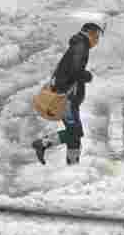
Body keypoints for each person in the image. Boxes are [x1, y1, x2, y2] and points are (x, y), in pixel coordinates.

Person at [32, 21, 103, 166]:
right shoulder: (81, 46)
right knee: (75, 132)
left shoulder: (79, 45)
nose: (97, 40)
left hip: (69, 97)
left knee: (74, 134)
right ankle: (42, 144)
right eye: (96, 36)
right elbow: (75, 71)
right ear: (89, 33)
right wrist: (86, 76)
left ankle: (72, 165)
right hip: (66, 98)